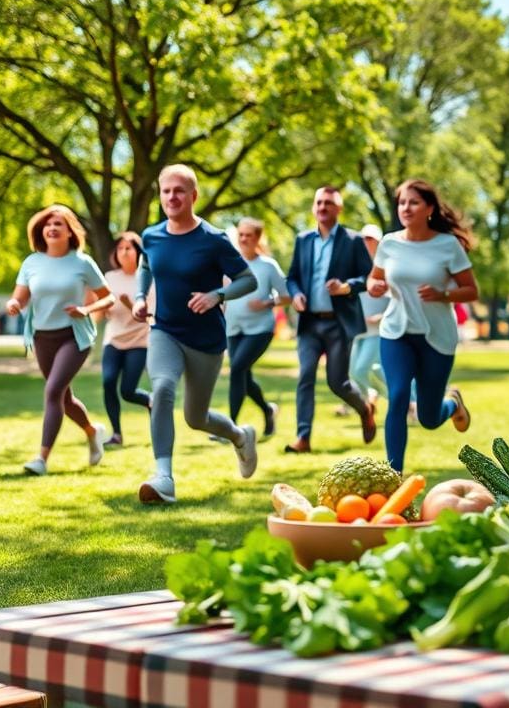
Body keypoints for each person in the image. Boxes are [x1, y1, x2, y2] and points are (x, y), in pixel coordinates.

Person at [132, 164, 259, 503]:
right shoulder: (151, 236)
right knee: (161, 388)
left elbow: (250, 280)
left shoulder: (214, 240)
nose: (172, 197)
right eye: (166, 191)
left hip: (206, 340)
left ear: (193, 196)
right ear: (160, 195)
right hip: (164, 330)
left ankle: (239, 436)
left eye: (179, 191)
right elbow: (146, 268)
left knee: (195, 418)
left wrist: (217, 295)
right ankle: (164, 478)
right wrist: (141, 297)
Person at [367, 178, 477, 472]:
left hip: (437, 337)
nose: (406, 207)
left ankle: (452, 404)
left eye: (413, 202)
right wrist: (375, 286)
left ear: (429, 208)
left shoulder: (447, 245)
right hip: (396, 332)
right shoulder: (389, 243)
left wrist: (443, 294)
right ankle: (394, 476)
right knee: (399, 395)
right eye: (402, 202)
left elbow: (471, 290)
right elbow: (374, 278)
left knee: (428, 418)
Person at [5, 205, 115, 475]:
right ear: (42, 231)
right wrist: (14, 304)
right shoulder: (32, 262)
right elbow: (20, 295)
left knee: (53, 391)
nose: (52, 228)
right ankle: (92, 432)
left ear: (70, 232)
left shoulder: (82, 262)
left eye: (59, 224)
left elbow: (108, 296)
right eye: (48, 224)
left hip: (74, 336)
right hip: (42, 337)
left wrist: (86, 310)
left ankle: (41, 459)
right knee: (64, 398)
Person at [285, 186, 375, 453]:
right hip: (309, 322)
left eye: (329, 203)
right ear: (314, 207)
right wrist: (296, 293)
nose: (323, 207)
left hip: (339, 322)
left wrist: (346, 286)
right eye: (319, 203)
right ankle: (303, 438)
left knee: (338, 383)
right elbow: (292, 277)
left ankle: (364, 407)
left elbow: (368, 278)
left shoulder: (353, 240)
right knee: (305, 376)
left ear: (339, 208)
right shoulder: (303, 239)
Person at [218, 217, 291, 440]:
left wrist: (267, 303)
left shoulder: (268, 266)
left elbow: (287, 296)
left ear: (257, 237)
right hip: (233, 327)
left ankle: (229, 429)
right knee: (244, 377)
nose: (244, 239)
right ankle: (268, 410)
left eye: (249, 235)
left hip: (261, 328)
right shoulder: (230, 262)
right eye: (241, 234)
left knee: (238, 369)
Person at [99, 232, 152, 447]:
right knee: (108, 381)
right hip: (113, 338)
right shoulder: (110, 277)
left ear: (138, 252)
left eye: (128, 248)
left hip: (139, 341)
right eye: (120, 248)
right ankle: (117, 434)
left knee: (128, 391)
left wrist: (130, 305)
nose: (123, 252)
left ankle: (150, 401)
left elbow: (148, 317)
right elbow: (103, 309)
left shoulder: (147, 278)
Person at [349, 223, 389, 407]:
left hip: (379, 330)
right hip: (359, 330)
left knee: (362, 369)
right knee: (358, 371)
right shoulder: (355, 266)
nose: (366, 242)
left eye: (370, 239)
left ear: (379, 242)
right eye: (363, 238)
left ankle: (407, 401)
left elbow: (399, 300)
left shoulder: (386, 267)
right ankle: (408, 401)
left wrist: (380, 316)